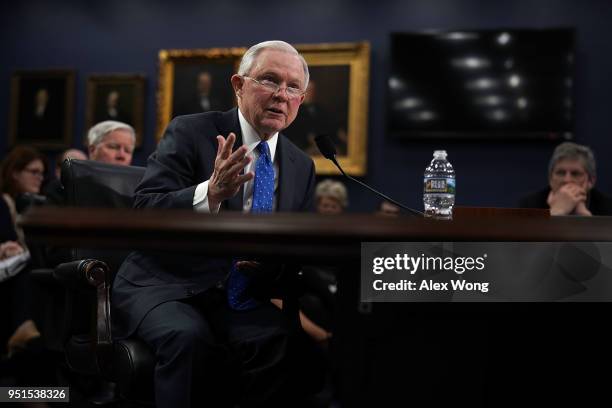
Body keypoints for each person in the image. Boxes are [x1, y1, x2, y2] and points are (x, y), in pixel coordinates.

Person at [112, 40, 322, 408]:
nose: (280, 95)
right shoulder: (191, 132)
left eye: (292, 87)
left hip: (238, 296)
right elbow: (144, 209)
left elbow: (295, 245)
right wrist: (209, 193)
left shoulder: (301, 165)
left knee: (283, 341)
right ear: (239, 86)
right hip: (168, 285)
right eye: (269, 80)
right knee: (187, 338)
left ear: (301, 101)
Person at [519, 142, 612, 216]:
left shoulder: (608, 208)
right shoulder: (529, 206)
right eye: (560, 173)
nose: (567, 180)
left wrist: (583, 215)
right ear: (550, 179)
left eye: (575, 174)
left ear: (591, 181)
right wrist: (556, 212)